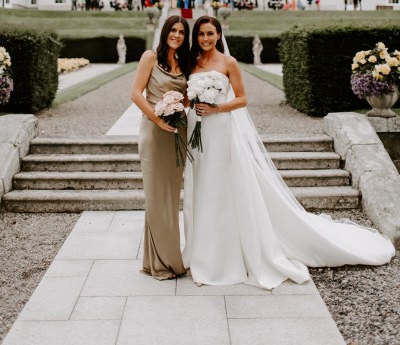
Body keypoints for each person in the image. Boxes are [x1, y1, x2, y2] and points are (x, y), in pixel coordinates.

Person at [182, 16, 395, 289]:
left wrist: (216, 108)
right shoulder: (192, 63)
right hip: (197, 134)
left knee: (221, 189)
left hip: (222, 132)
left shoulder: (228, 63)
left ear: (219, 34)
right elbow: (187, 97)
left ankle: (221, 260)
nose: (205, 39)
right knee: (201, 189)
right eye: (200, 34)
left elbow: (242, 99)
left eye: (210, 33)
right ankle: (201, 253)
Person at [130, 15, 190, 280]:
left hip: (178, 133)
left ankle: (154, 260)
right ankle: (164, 262)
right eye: (173, 30)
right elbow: (135, 93)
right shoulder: (150, 57)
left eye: (181, 32)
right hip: (154, 132)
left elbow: (188, 98)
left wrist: (183, 106)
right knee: (156, 197)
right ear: (165, 31)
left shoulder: (185, 63)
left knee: (170, 196)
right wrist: (158, 117)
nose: (176, 35)